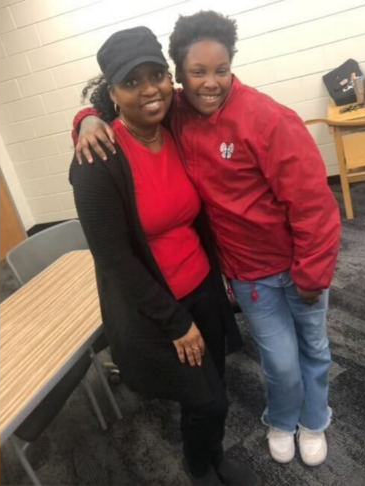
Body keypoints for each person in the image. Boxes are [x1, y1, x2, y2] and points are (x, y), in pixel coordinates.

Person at [72, 11, 341, 467]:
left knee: (314, 349)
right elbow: (132, 102)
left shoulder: (267, 119)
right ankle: (281, 418)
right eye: (196, 72)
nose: (209, 82)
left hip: (299, 268)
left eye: (221, 69)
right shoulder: (178, 113)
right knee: (278, 360)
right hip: (248, 273)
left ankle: (314, 419)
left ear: (233, 64)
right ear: (181, 75)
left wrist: (313, 274)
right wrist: (86, 119)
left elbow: (314, 204)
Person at [68, 26, 262, 486]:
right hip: (156, 308)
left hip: (203, 288)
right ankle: (199, 470)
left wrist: (84, 115)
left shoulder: (173, 122)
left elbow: (214, 88)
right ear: (111, 92)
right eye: (131, 82)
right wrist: (175, 322)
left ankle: (212, 456)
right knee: (206, 398)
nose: (149, 89)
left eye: (156, 75)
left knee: (216, 384)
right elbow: (115, 260)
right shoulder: (98, 161)